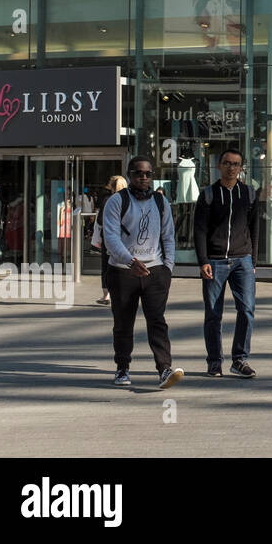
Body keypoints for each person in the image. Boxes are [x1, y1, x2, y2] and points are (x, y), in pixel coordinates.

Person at [103, 156, 183, 389]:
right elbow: (111, 238)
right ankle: (122, 368)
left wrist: (168, 268)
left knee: (157, 321)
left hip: (155, 271)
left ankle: (164, 369)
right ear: (130, 175)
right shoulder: (117, 201)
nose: (144, 178)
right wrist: (130, 261)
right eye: (139, 173)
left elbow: (168, 235)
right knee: (123, 323)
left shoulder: (160, 201)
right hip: (122, 272)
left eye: (148, 173)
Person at [193, 148, 260, 378]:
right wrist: (203, 261)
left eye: (236, 164)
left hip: (243, 260)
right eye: (227, 163)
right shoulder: (209, 194)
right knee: (213, 314)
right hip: (215, 260)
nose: (231, 167)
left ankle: (239, 359)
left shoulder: (249, 193)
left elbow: (255, 228)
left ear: (241, 168)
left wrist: (253, 260)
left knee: (247, 310)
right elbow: (199, 229)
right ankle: (214, 362)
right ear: (219, 166)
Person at [90, 175, 127, 306]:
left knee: (107, 266)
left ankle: (107, 295)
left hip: (109, 237)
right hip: (126, 238)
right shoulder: (129, 200)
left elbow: (100, 220)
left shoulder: (108, 200)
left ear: (111, 186)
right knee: (124, 264)